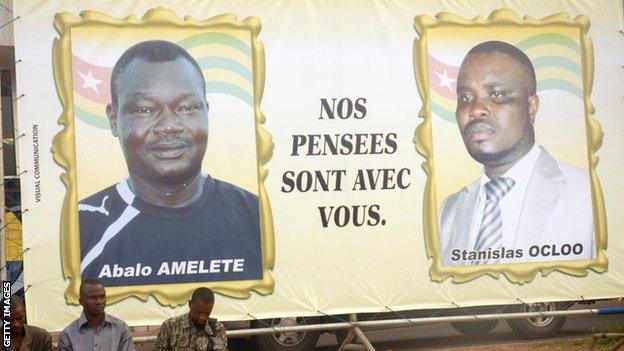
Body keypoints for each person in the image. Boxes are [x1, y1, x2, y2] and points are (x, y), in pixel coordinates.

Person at [78, 40, 262, 286]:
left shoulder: (254, 215)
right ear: (113, 119)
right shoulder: (82, 226)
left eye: (186, 107)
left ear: (206, 112)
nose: (169, 126)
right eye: (145, 110)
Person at [439, 40, 594, 266]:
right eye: (465, 98)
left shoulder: (586, 194)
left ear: (531, 107)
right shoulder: (451, 209)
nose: (475, 110)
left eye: (497, 94)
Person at [58, 279, 135, 351]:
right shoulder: (67, 335)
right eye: (93, 298)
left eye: (102, 297)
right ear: (81, 301)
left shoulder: (121, 329)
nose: (99, 302)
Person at [155, 287, 227, 350]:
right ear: (190, 304)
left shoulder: (217, 330)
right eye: (198, 312)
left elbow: (220, 349)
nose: (202, 317)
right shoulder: (170, 327)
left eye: (207, 313)